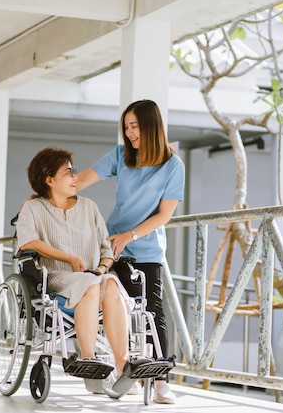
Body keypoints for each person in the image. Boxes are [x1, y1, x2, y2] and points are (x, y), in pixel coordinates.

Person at [77, 99, 185, 404]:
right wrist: (46, 191)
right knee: (107, 300)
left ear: (151, 126)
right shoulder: (121, 155)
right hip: (112, 245)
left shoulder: (173, 166)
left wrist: (132, 234)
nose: (129, 133)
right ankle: (122, 367)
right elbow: (83, 179)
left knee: (152, 309)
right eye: (126, 127)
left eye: (134, 126)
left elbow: (164, 214)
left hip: (147, 247)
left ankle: (161, 381)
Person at [16, 147, 135, 390]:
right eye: (68, 172)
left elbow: (106, 248)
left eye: (74, 171)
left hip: (93, 275)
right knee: (90, 284)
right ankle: (88, 359)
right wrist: (68, 258)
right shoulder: (33, 208)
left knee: (110, 283)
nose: (75, 177)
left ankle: (123, 365)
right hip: (57, 277)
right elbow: (28, 242)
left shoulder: (89, 207)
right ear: (49, 179)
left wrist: (102, 268)